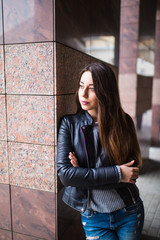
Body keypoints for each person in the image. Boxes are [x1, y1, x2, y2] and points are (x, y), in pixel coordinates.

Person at [57, 62, 144, 240]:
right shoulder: (69, 124)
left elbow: (131, 174)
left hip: (129, 211)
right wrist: (117, 172)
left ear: (106, 91)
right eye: (81, 85)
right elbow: (65, 176)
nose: (83, 93)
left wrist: (83, 173)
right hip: (93, 218)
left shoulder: (124, 122)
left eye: (92, 88)